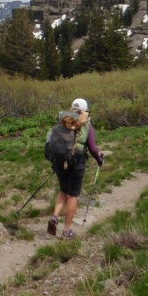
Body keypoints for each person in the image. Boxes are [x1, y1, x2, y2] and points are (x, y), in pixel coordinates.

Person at [48, 98, 103, 238]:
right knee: (72, 195)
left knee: (63, 190)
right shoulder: (86, 123)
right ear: (85, 110)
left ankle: (54, 216)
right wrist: (99, 159)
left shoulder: (62, 119)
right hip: (76, 161)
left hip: (59, 160)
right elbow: (92, 148)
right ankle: (66, 230)